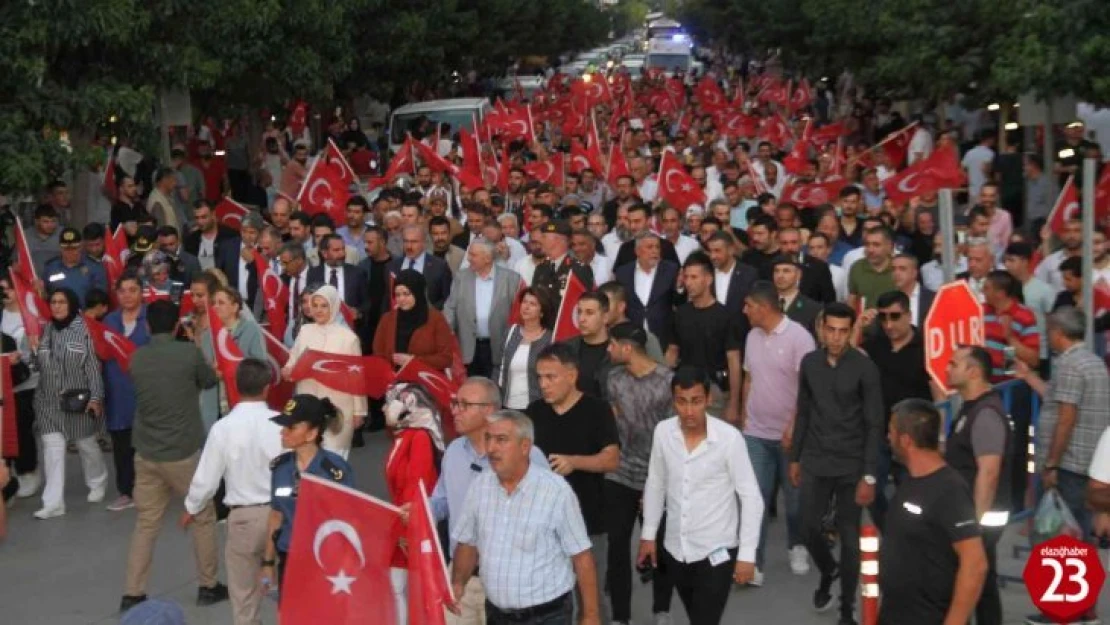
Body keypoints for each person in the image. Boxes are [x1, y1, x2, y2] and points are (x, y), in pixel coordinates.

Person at [121, 299, 225, 612]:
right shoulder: (188, 354)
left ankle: (133, 592)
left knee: (146, 523)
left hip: (147, 451)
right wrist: (196, 345)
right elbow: (208, 380)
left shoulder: (137, 358)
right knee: (203, 516)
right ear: (178, 325)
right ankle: (208, 585)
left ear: (148, 326)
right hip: (182, 452)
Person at [449, 410, 600, 625]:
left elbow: (582, 557)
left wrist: (591, 616)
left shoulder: (556, 492)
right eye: (488, 438)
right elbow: (467, 543)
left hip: (547, 616)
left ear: (525, 447)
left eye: (501, 440)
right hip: (497, 614)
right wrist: (458, 583)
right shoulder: (479, 486)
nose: (491, 448)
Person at [638, 366, 763, 625]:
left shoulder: (729, 439)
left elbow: (751, 497)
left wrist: (747, 555)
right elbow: (656, 482)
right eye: (681, 402)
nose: (689, 410)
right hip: (676, 550)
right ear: (673, 401)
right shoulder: (663, 432)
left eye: (695, 401)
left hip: (717, 552)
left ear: (708, 399)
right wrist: (648, 535)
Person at [426, 378, 548, 625]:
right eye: (454, 403)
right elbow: (442, 501)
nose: (455, 410)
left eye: (464, 404)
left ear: (490, 410)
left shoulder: (528, 456)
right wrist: (419, 511)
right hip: (463, 578)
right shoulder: (453, 452)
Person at [791, 302, 883, 625]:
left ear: (852, 331)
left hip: (852, 462)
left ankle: (847, 610)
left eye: (843, 331)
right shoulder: (810, 363)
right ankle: (827, 569)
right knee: (807, 527)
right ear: (820, 328)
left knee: (849, 537)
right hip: (815, 458)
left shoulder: (864, 368)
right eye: (830, 329)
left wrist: (869, 475)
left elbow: (875, 424)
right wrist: (795, 457)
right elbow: (803, 411)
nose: (836, 337)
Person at [180, 359, 283, 625]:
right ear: (267, 387)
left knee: (244, 600)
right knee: (288, 594)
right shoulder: (283, 424)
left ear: (235, 387)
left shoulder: (222, 428)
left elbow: (207, 478)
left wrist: (192, 507)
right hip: (282, 517)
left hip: (243, 520)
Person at [526, 343, 620, 618]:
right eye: (539, 377)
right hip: (543, 524)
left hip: (589, 521)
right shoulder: (534, 413)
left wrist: (575, 462)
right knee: (551, 599)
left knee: (589, 598)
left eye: (550, 377)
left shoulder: (597, 409)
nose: (543, 384)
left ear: (572, 375)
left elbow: (612, 459)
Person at [879, 398, 989, 625]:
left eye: (891, 431)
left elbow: (975, 564)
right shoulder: (911, 482)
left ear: (906, 440)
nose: (888, 438)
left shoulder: (949, 489)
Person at [741, 281, 816, 582]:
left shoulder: (800, 337)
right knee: (754, 498)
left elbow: (807, 389)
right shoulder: (751, 336)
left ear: (763, 307)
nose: (744, 311)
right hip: (756, 433)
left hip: (790, 435)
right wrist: (745, 416)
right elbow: (749, 378)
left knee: (794, 499)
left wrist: (794, 427)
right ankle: (753, 562)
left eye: (748, 305)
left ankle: (797, 546)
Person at [604, 323, 676, 625]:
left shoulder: (667, 381)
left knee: (659, 544)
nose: (608, 349)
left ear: (627, 348)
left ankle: (661, 610)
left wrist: (656, 486)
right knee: (617, 545)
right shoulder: (613, 379)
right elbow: (615, 421)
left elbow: (673, 437)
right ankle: (622, 617)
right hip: (620, 474)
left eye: (612, 344)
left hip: (657, 476)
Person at [1022, 307, 1110, 542]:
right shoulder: (1094, 362)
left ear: (1058, 332)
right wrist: (1028, 376)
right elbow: (1056, 398)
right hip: (1090, 464)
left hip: (1068, 466)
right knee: (1079, 538)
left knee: (1060, 539)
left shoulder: (1070, 366)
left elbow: (1066, 417)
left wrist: (1052, 464)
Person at [858, 290, 938, 530]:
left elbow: (939, 393)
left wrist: (939, 436)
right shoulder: (875, 345)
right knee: (870, 491)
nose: (888, 324)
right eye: (883, 318)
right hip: (880, 435)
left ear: (908, 315)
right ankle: (890, 531)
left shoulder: (925, 347)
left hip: (914, 438)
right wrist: (858, 328)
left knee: (912, 497)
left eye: (895, 316)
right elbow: (847, 361)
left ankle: (910, 537)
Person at [943, 345, 1011, 625]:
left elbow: (989, 472)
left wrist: (975, 522)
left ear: (973, 371)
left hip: (980, 515)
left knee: (977, 582)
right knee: (980, 582)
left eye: (953, 363)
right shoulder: (971, 408)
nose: (947, 368)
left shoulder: (985, 414)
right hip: (973, 513)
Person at [27, 287, 108, 519]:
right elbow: (37, 367)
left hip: (77, 401)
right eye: (53, 302)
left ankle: (97, 481)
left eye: (62, 302)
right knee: (52, 450)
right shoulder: (44, 330)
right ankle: (53, 503)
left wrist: (95, 398)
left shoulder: (83, 329)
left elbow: (93, 367)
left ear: (71, 304)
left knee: (87, 445)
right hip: (47, 402)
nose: (57, 306)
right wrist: (33, 351)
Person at [263, 394, 354, 594]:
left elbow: (347, 521)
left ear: (312, 433)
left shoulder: (334, 471)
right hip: (289, 558)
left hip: (326, 561)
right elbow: (276, 516)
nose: (283, 432)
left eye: (291, 427)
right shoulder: (280, 468)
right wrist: (267, 563)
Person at [383, 382, 444, 625]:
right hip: (402, 518)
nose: (384, 409)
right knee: (400, 588)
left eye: (389, 403)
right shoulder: (407, 435)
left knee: (402, 588)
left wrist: (407, 530)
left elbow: (418, 486)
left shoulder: (418, 437)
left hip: (410, 523)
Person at [285, 285, 368, 458]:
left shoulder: (348, 338)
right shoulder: (305, 331)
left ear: (334, 307)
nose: (318, 310)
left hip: (338, 407)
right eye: (315, 305)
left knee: (335, 459)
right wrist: (288, 369)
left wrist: (359, 411)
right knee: (308, 458)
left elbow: (356, 377)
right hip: (308, 403)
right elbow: (293, 359)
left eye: (324, 306)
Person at [666, 252, 743, 421]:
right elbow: (672, 352)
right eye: (686, 277)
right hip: (684, 388)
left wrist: (734, 404)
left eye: (694, 277)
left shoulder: (726, 316)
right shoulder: (681, 313)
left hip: (715, 391)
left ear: (708, 279)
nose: (688, 283)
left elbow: (734, 361)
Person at [102, 274, 151, 512]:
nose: (128, 295)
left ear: (142, 292)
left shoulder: (151, 317)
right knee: (121, 445)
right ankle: (125, 491)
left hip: (146, 394)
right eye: (123, 291)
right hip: (117, 393)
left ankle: (151, 491)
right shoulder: (109, 321)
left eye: (133, 290)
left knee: (148, 445)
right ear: (116, 294)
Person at [443, 240, 522, 379]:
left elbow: (517, 313)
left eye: (473, 255)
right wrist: (445, 332)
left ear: (487, 258)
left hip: (498, 347)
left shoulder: (511, 279)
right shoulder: (461, 277)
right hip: (468, 347)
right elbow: (451, 307)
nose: (468, 258)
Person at [199, 285, 267, 428]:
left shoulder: (251, 330)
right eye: (213, 303)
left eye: (221, 303)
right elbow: (201, 370)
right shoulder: (207, 335)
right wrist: (211, 372)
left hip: (242, 401)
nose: (215, 307)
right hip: (214, 403)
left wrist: (234, 370)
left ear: (235, 307)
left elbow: (261, 366)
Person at [0, 277, 40, 498]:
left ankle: (28, 471)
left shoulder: (29, 313)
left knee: (22, 430)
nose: (4, 293)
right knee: (2, 432)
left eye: (7, 289)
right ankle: (7, 479)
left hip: (25, 382)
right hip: (1, 382)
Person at [373, 269, 454, 370]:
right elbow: (378, 354)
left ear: (418, 293)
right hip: (393, 381)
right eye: (397, 295)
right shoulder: (387, 319)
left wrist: (414, 361)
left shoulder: (436, 319)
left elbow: (446, 358)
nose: (401, 299)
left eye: (406, 294)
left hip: (425, 381)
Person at [615, 233, 680, 352]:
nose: (655, 251)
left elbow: (679, 304)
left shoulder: (671, 270)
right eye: (650, 247)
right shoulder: (622, 273)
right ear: (637, 251)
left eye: (657, 247)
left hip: (663, 340)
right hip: (633, 340)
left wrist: (680, 288)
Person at [498, 287, 555, 410]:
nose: (526, 307)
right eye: (524, 302)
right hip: (506, 405)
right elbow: (498, 367)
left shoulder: (550, 339)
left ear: (542, 311)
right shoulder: (511, 332)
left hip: (536, 407)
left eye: (532, 304)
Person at [559, 293, 613, 399]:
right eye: (579, 312)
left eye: (589, 313)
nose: (581, 319)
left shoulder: (619, 350)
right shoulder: (565, 348)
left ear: (605, 317)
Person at [390, 224, 453, 308]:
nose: (409, 246)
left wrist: (429, 312)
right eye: (406, 241)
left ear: (424, 243)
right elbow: (387, 299)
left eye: (414, 242)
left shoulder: (440, 266)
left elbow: (448, 298)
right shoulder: (392, 266)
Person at [43, 227, 109, 307]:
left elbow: (101, 298)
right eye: (66, 249)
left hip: (85, 316)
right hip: (58, 315)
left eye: (74, 248)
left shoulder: (94, 267)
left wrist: (91, 314)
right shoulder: (50, 267)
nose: (70, 252)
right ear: (60, 248)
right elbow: (45, 296)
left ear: (81, 247)